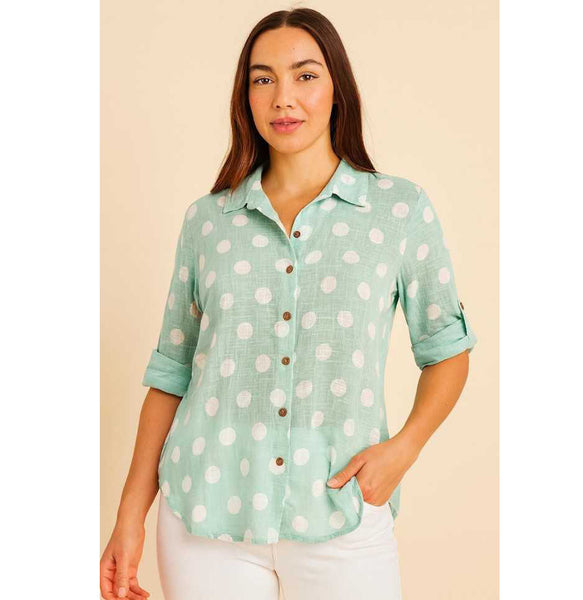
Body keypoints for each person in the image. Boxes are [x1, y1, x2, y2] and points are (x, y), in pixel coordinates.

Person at [100, 7, 478, 600]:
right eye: (263, 78)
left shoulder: (398, 210)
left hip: (341, 511)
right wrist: (130, 516)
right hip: (205, 516)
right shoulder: (208, 221)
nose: (283, 97)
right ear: (245, 96)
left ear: (337, 89)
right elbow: (172, 374)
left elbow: (447, 351)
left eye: (305, 75)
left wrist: (402, 450)